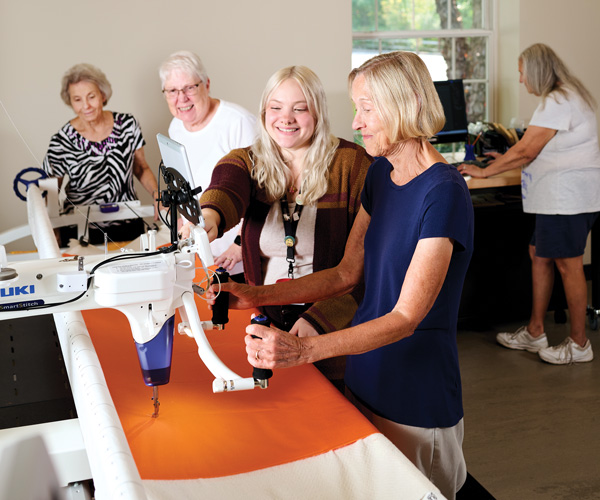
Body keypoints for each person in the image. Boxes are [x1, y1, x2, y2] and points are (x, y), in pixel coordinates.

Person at [208, 52, 474, 499]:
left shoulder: (444, 192)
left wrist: (303, 350)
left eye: (367, 108)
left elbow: (406, 317)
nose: (356, 121)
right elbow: (346, 274)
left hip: (415, 393)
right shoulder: (383, 176)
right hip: (363, 377)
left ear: (405, 102)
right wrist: (256, 295)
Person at [200, 65, 372, 388]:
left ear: (318, 112)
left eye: (299, 108)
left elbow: (367, 269)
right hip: (267, 327)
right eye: (276, 108)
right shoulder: (250, 162)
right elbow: (227, 181)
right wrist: (211, 216)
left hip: (330, 330)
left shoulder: (353, 164)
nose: (286, 118)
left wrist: (319, 321)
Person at [460, 43, 600, 365]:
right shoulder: (564, 96)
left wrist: (484, 171)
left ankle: (579, 344)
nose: (521, 80)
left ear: (536, 71)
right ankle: (535, 330)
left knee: (569, 265)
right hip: (560, 197)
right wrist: (500, 160)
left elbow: (526, 151)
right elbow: (538, 147)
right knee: (539, 255)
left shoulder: (557, 100)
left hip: (568, 199)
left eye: (522, 73)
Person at [159, 50, 257, 279]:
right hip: (201, 252)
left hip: (238, 255)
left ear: (207, 84)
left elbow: (262, 192)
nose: (181, 98)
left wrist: (240, 245)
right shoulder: (176, 126)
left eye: (189, 88)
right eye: (172, 91)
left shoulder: (238, 123)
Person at [43, 63, 159, 246]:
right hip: (80, 229)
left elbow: (141, 168)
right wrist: (50, 228)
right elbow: (51, 190)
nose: (86, 106)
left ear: (103, 95)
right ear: (70, 102)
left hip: (128, 223)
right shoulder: (61, 140)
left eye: (91, 96)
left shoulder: (128, 125)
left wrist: (158, 195)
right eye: (77, 99)